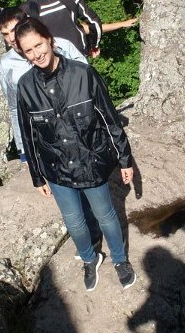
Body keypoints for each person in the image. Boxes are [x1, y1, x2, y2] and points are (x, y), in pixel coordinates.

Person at [15, 17, 136, 291]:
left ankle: (120, 260)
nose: (36, 54)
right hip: (56, 168)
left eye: (39, 45)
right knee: (74, 222)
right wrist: (37, 177)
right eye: (28, 51)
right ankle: (90, 259)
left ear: (50, 40)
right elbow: (29, 135)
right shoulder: (24, 87)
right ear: (22, 54)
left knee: (105, 216)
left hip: (91, 162)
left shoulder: (84, 74)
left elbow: (109, 119)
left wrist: (125, 158)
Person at [0, 6, 87, 161]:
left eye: (14, 30)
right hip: (45, 140)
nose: (11, 38)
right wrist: (23, 148)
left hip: (78, 129)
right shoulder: (6, 64)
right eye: (5, 34)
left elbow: (88, 81)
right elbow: (14, 107)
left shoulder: (62, 46)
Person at [19, 0, 102, 58]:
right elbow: (94, 22)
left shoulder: (24, 10)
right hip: (78, 54)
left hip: (49, 60)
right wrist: (94, 45)